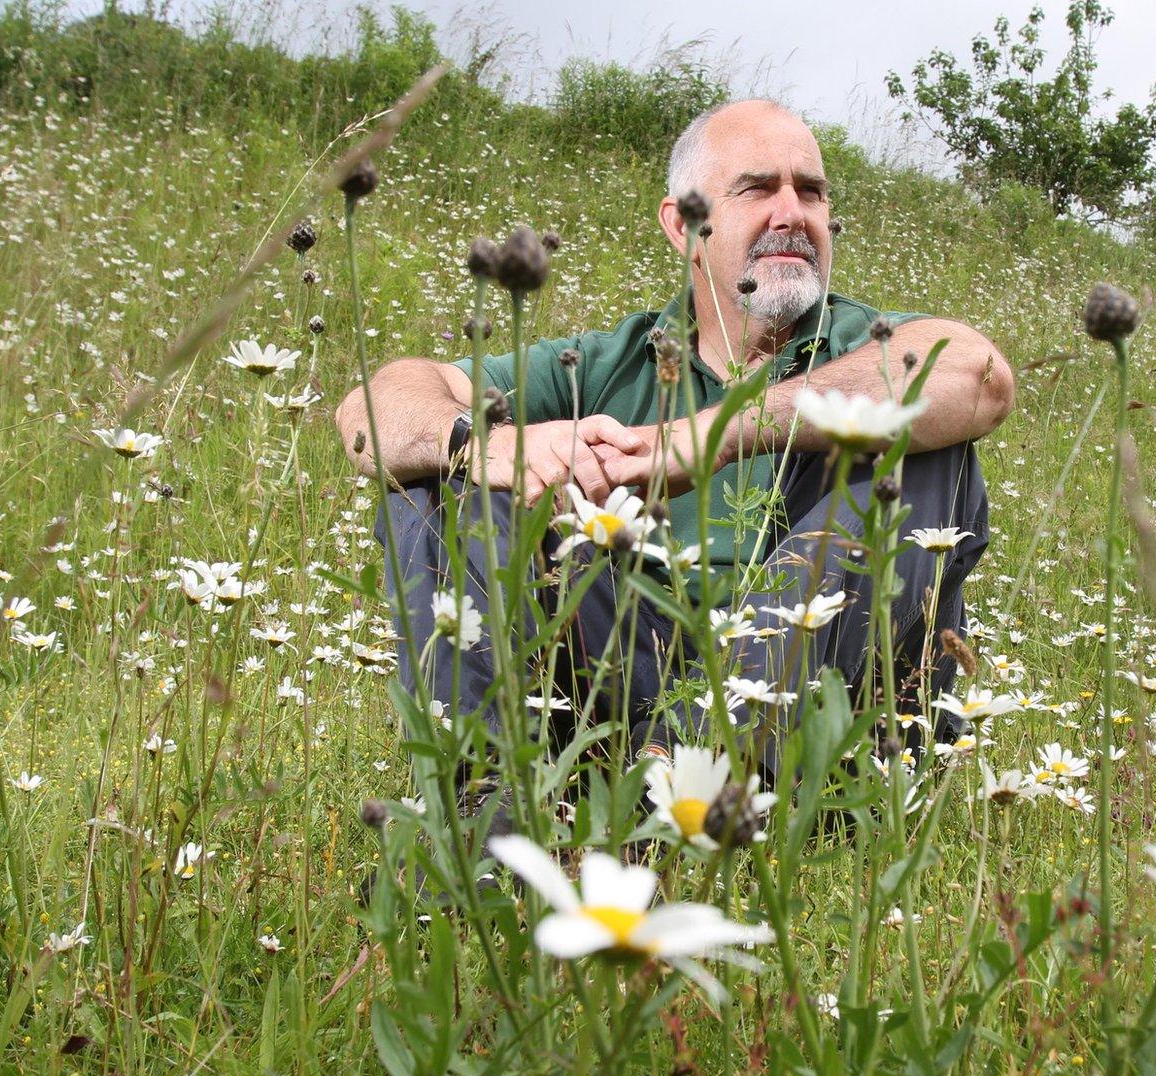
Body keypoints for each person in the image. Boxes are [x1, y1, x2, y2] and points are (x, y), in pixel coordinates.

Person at [334, 98, 1013, 777]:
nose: (792, 214)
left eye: (811, 191)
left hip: (828, 715)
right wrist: (486, 448)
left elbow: (979, 377)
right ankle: (487, 814)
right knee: (440, 481)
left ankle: (684, 772)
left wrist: (720, 433)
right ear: (684, 224)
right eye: (756, 189)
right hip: (619, 674)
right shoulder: (604, 364)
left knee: (920, 444)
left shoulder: (873, 345)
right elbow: (373, 410)